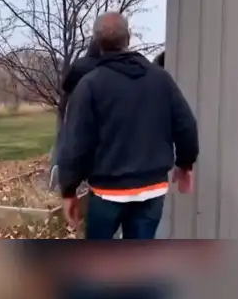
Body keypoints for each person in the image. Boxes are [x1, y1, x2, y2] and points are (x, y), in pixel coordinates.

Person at [57, 13, 199, 240]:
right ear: (128, 38)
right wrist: (185, 164)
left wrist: (68, 190)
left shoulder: (90, 85)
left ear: (97, 41)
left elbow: (76, 143)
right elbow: (186, 125)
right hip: (151, 189)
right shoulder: (161, 79)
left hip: (107, 192)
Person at [47, 39, 102, 191]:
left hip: (68, 105)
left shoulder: (79, 64)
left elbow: (65, 85)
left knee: (64, 138)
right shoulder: (102, 67)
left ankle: (58, 168)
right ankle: (84, 177)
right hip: (90, 109)